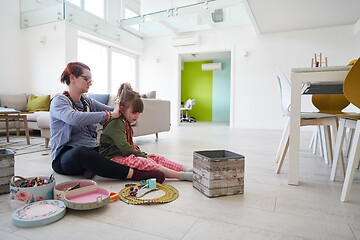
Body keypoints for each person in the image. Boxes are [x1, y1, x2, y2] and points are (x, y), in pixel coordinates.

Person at [50, 62, 165, 183]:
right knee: (81, 152)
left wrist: (122, 106)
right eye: (86, 79)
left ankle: (92, 168)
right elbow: (73, 118)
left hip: (91, 150)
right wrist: (109, 115)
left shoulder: (88, 101)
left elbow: (113, 110)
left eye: (91, 79)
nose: (90, 82)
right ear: (72, 78)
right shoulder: (59, 101)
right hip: (64, 157)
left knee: (112, 149)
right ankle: (137, 174)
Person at [99, 83, 193, 181]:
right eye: (134, 112)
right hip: (113, 159)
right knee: (144, 161)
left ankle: (185, 169)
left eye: (139, 112)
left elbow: (130, 145)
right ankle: (181, 175)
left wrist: (144, 155)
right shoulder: (116, 123)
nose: (137, 116)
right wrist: (144, 157)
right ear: (122, 109)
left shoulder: (124, 122)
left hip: (123, 155)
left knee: (157, 158)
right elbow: (125, 147)